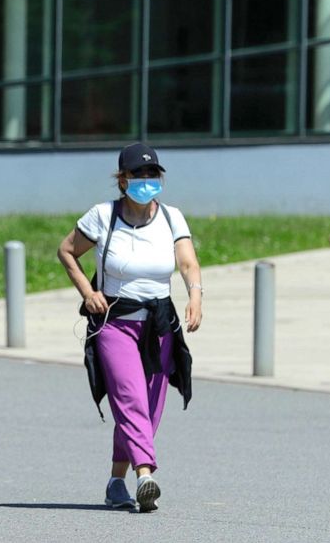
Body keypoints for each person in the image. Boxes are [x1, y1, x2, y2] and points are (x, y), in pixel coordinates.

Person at [56, 142, 202, 513]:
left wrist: (195, 295)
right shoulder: (103, 217)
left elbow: (187, 263)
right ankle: (145, 476)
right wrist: (88, 292)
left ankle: (115, 482)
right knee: (131, 398)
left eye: (153, 174)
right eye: (139, 174)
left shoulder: (172, 218)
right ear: (123, 180)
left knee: (148, 412)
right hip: (115, 324)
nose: (147, 181)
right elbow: (66, 251)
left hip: (159, 326)